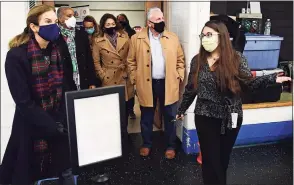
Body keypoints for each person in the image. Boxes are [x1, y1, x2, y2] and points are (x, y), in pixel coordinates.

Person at [176, 20, 291, 185]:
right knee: (210, 160)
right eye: (203, 35)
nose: (205, 38)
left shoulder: (236, 59)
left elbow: (248, 82)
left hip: (231, 117)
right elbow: (191, 88)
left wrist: (272, 78)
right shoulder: (197, 61)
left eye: (209, 35)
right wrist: (182, 108)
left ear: (222, 37)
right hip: (205, 116)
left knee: (222, 160)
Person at [0, 5, 75, 185]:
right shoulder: (16, 56)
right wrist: (52, 126)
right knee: (28, 174)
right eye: (47, 22)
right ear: (33, 26)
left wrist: (65, 119)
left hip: (59, 122)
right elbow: (23, 102)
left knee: (62, 173)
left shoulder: (57, 50)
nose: (54, 26)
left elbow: (66, 86)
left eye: (55, 22)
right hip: (30, 126)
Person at [127, 7, 185, 159]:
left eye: (162, 18)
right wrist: (135, 79)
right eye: (158, 20)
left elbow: (180, 60)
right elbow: (130, 61)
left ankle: (171, 146)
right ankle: (146, 144)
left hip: (168, 83)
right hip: (147, 84)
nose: (162, 21)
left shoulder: (173, 37)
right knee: (146, 116)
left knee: (170, 116)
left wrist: (179, 75)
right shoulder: (136, 38)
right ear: (149, 23)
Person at [92, 13, 134, 138]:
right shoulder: (98, 41)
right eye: (108, 24)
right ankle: (112, 135)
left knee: (126, 107)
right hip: (109, 77)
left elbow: (131, 56)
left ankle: (124, 133)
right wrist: (102, 75)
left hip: (124, 76)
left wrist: (129, 72)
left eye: (113, 23)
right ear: (103, 26)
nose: (111, 26)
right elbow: (96, 61)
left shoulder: (125, 36)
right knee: (111, 108)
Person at [56, 7, 98, 91]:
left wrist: (92, 81)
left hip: (83, 80)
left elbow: (89, 60)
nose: (73, 18)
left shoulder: (82, 35)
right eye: (69, 16)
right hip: (65, 83)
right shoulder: (55, 37)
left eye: (73, 15)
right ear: (60, 19)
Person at [117, 13, 137, 119]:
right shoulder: (115, 32)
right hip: (117, 67)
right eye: (118, 20)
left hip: (128, 65)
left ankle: (131, 110)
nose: (120, 21)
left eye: (122, 19)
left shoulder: (131, 32)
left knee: (130, 92)